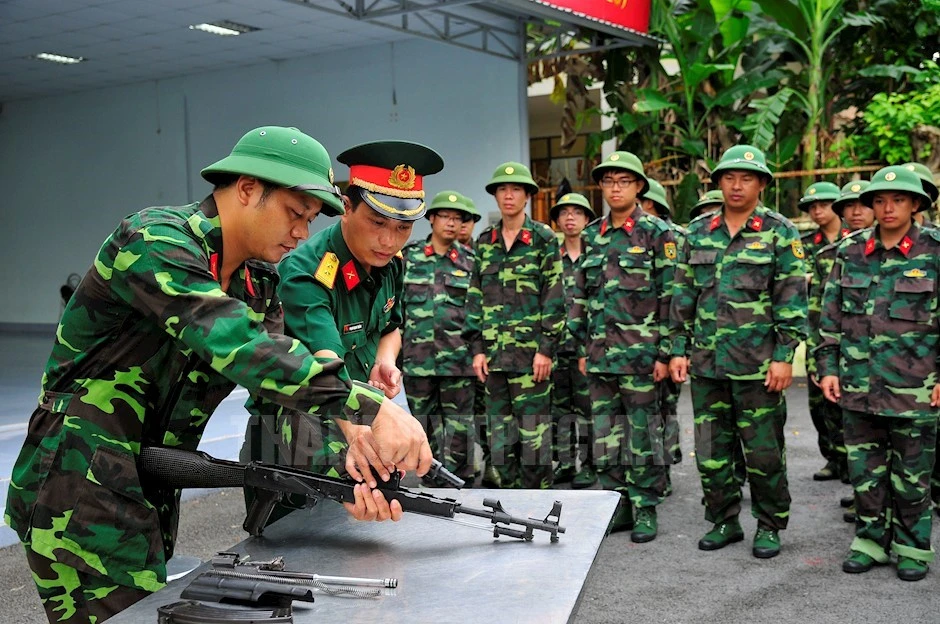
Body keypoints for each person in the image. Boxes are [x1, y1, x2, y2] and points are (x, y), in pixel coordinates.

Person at [4, 126, 432, 624]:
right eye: (296, 214)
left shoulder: (257, 281)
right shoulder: (155, 239)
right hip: (77, 483)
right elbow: (240, 345)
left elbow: (280, 389)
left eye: (311, 221)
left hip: (151, 482)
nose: (301, 234)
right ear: (247, 188)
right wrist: (370, 406)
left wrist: (351, 470)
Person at [243, 140, 444, 479]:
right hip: (296, 435)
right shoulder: (307, 272)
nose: (390, 241)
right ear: (346, 207)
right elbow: (326, 361)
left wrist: (385, 361)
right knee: (292, 531)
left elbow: (391, 327)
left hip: (359, 420)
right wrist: (360, 429)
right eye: (378, 223)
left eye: (403, 228)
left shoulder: (388, 264)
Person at [670, 145, 807, 559]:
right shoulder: (697, 232)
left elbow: (791, 299)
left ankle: (769, 524)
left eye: (746, 178)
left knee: (764, 452)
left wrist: (784, 356)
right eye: (729, 177)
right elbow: (683, 296)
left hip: (757, 366)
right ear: (718, 183)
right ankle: (723, 519)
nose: (736, 185)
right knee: (711, 451)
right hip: (708, 365)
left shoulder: (780, 232)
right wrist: (678, 348)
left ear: (761, 184)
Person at [817, 165, 939, 581]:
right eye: (880, 201)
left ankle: (912, 548)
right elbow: (829, 318)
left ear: (916, 204)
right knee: (865, 472)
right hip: (858, 385)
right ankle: (870, 541)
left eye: (899, 200)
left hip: (915, 388)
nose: (888, 208)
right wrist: (827, 368)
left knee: (911, 476)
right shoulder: (850, 253)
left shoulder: (935, 252)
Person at [569, 152, 677, 542]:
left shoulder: (655, 232)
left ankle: (645, 506)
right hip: (599, 356)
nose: (615, 187)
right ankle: (618, 505)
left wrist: (667, 352)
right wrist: (581, 347)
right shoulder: (593, 234)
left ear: (638, 188)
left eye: (623, 181)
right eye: (609, 180)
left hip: (642, 358)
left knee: (643, 434)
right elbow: (581, 295)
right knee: (605, 435)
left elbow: (671, 297)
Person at [464, 161, 565, 489]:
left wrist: (546, 350)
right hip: (494, 360)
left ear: (527, 196)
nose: (508, 195)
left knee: (534, 438)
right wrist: (477, 350)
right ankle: (510, 505)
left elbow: (554, 296)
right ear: (495, 196)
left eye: (516, 190)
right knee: (500, 439)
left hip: (531, 360)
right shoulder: (485, 241)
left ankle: (539, 504)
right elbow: (475, 296)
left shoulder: (543, 239)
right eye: (502, 190)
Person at [400, 191, 478, 482]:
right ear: (431, 218)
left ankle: (462, 482)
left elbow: (479, 310)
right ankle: (432, 481)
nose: (451, 223)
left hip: (459, 360)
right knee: (424, 425)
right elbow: (395, 309)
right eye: (445, 216)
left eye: (458, 218)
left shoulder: (471, 261)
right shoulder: (409, 257)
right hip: (417, 361)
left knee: (460, 427)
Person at [808, 180, 872, 523]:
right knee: (842, 420)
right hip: (843, 351)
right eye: (849, 206)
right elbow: (823, 307)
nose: (856, 212)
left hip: (899, 363)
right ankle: (856, 487)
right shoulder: (830, 253)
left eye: (861, 205)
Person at [797, 181, 850, 482]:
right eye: (811, 206)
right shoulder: (804, 244)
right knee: (818, 401)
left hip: (848, 331)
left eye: (823, 204)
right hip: (815, 330)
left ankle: (849, 460)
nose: (817, 211)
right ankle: (831, 457)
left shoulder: (853, 240)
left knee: (847, 400)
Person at [639, 179, 686, 488]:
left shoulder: (675, 237)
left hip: (667, 336)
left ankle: (664, 467)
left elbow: (676, 292)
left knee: (665, 408)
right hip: (646, 340)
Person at [548, 192, 596, 487]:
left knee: (588, 409)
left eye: (576, 212)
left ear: (587, 219)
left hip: (586, 349)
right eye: (564, 213)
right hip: (555, 347)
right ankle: (565, 462)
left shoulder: (597, 254)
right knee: (559, 409)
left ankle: (589, 465)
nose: (570, 218)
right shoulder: (552, 256)